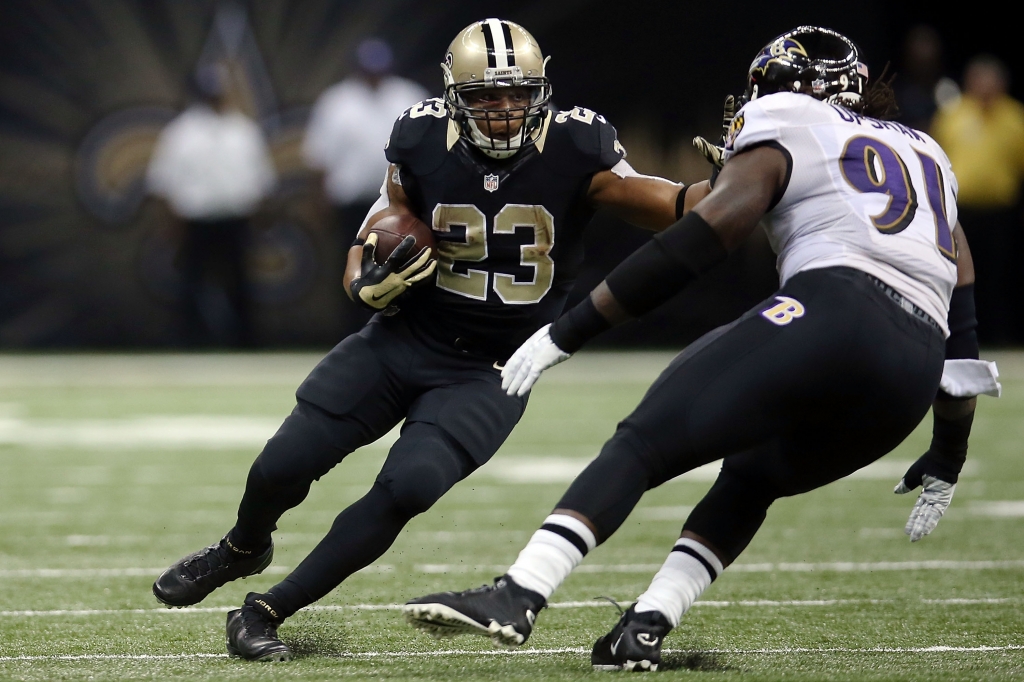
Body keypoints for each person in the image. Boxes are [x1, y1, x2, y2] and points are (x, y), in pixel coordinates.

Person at [404, 26, 1000, 672]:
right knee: (753, 474)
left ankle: (520, 591)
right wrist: (949, 449)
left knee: (643, 440)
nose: (753, 100)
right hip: (912, 375)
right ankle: (648, 624)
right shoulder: (927, 152)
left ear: (794, 90)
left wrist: (567, 331)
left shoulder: (788, 118)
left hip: (837, 309)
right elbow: (960, 295)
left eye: (763, 88)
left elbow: (706, 235)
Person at [152, 18, 709, 662]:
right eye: (484, 97)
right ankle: (244, 547)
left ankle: (267, 609)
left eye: (516, 94)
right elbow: (375, 228)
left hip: (495, 365)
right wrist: (365, 282)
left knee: (410, 487)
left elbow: (664, 201)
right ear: (453, 97)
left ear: (541, 90)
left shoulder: (577, 144)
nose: (503, 111)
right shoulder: (419, 134)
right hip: (404, 336)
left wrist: (726, 189)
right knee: (281, 463)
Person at [302, 38, 429, 336]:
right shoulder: (336, 102)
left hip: (402, 201)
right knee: (354, 266)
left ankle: (405, 331)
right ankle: (353, 332)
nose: (374, 75)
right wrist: (320, 202)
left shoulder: (408, 95)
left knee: (409, 265)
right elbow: (319, 160)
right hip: (353, 203)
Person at [147, 63, 277, 347]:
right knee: (191, 285)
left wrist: (260, 219)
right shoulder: (181, 133)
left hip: (236, 218)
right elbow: (163, 183)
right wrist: (169, 224)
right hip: (196, 220)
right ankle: (190, 344)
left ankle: (244, 344)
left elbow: (261, 180)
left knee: (240, 284)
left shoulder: (243, 130)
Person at [931, 54, 1024, 345]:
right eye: (979, 78)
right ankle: (958, 336)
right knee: (957, 275)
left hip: (1001, 214)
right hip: (962, 214)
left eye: (990, 79)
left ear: (1001, 83)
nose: (985, 85)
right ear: (969, 81)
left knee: (1000, 278)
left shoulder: (1014, 117)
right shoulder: (952, 114)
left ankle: (1000, 338)